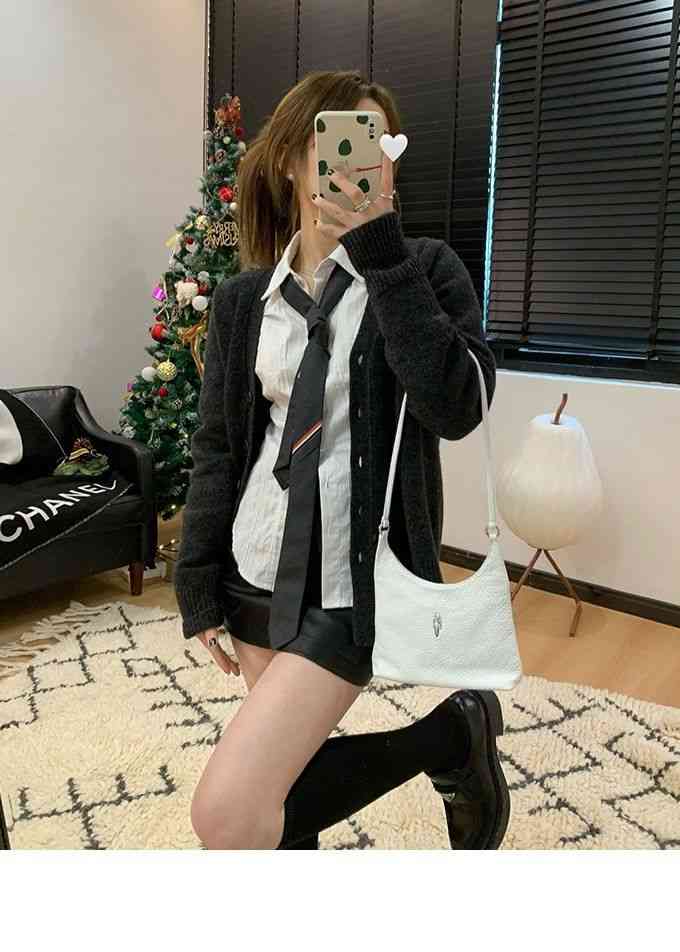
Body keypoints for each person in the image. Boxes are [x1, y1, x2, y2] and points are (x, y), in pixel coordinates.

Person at [173, 69, 509, 850]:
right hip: (254, 568)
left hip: (351, 584)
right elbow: (220, 447)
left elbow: (457, 407)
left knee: (227, 813)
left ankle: (448, 740)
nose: (363, 161)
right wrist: (197, 579)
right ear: (294, 159)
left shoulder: (423, 271)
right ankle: (454, 739)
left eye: (379, 146)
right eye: (342, 141)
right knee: (279, 798)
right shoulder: (244, 300)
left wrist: (381, 253)